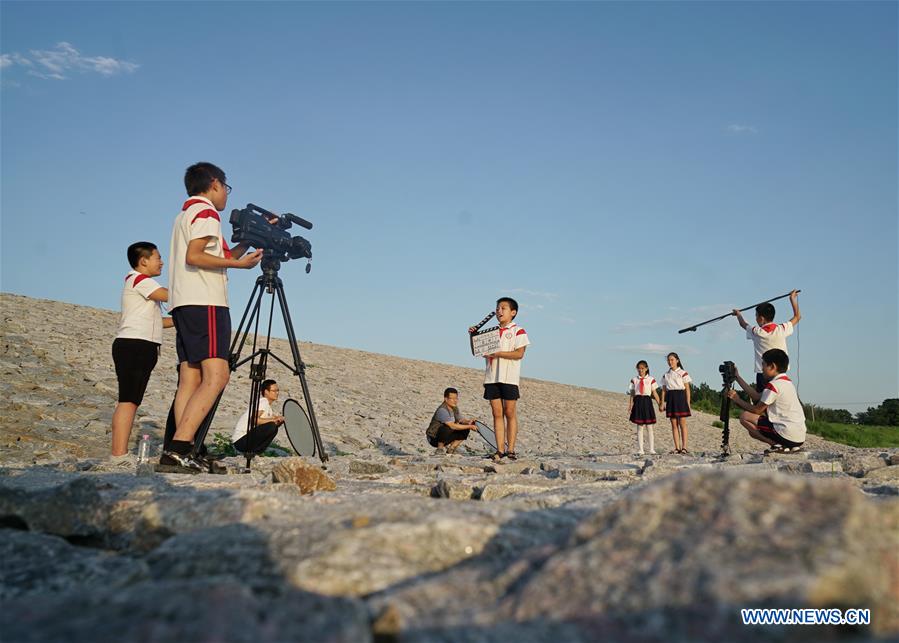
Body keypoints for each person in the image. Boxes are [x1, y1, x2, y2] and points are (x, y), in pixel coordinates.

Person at [160, 162, 263, 472]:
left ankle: (185, 448)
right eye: (226, 189)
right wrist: (241, 266)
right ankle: (179, 449)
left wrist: (246, 245)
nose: (226, 196)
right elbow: (196, 255)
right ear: (215, 184)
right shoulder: (207, 213)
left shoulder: (185, 214)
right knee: (217, 375)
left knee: (190, 379)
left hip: (184, 303)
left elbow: (216, 255)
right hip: (206, 302)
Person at [110, 242, 173, 459]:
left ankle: (119, 453)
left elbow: (157, 320)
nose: (161, 261)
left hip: (142, 344)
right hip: (134, 345)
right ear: (143, 261)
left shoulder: (140, 284)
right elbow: (169, 295)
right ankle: (118, 454)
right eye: (158, 257)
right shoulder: (140, 279)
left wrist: (178, 321)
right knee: (128, 400)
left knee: (132, 399)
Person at [470, 296, 530, 462]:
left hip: (509, 377)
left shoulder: (518, 331)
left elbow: (519, 354)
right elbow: (476, 350)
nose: (499, 311)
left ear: (513, 312)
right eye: (497, 308)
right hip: (491, 377)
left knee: (509, 412)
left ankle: (511, 449)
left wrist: (498, 354)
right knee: (496, 413)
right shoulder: (490, 332)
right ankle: (500, 449)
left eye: (503, 308)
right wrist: (473, 335)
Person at [726, 349, 806, 453]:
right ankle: (784, 445)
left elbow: (757, 410)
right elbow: (756, 396)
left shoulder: (774, 385)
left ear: (772, 366)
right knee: (752, 431)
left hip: (786, 434)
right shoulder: (786, 383)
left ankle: (776, 445)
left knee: (745, 417)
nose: (762, 369)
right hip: (799, 437)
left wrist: (737, 400)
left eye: (763, 365)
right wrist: (737, 377)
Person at [733, 290, 801, 393]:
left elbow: (743, 324)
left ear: (761, 318)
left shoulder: (757, 332)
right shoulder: (781, 329)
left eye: (756, 316)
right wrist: (792, 299)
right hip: (780, 374)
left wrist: (738, 314)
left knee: (761, 404)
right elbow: (797, 317)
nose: (756, 319)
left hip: (763, 374)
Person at [232, 379, 285, 455]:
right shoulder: (263, 401)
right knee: (271, 426)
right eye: (274, 391)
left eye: (278, 391)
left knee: (274, 428)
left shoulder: (268, 408)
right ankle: (253, 452)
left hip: (245, 441)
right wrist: (274, 419)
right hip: (241, 440)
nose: (277, 393)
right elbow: (254, 420)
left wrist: (278, 421)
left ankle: (254, 453)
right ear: (266, 392)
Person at [425, 387, 477, 455]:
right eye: (452, 399)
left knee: (465, 428)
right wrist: (469, 426)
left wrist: (469, 422)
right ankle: (439, 449)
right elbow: (452, 426)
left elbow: (460, 419)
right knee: (447, 427)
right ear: (446, 399)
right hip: (433, 438)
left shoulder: (454, 408)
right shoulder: (442, 410)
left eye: (456, 398)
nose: (455, 401)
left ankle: (451, 449)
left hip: (445, 437)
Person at [627, 360, 662, 456]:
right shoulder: (634, 380)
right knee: (639, 427)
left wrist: (660, 404)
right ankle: (640, 449)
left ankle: (651, 449)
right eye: (639, 368)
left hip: (647, 402)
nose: (640, 370)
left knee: (649, 427)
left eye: (642, 368)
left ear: (646, 369)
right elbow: (632, 393)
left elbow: (654, 393)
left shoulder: (651, 379)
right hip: (638, 402)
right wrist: (630, 404)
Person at [660, 352, 692, 454]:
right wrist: (662, 403)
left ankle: (684, 447)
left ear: (677, 360)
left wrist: (688, 403)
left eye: (672, 360)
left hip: (681, 397)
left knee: (682, 423)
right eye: (668, 360)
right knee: (674, 424)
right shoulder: (666, 375)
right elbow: (664, 390)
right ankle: (677, 447)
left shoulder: (683, 373)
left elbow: (687, 389)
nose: (670, 362)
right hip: (671, 398)